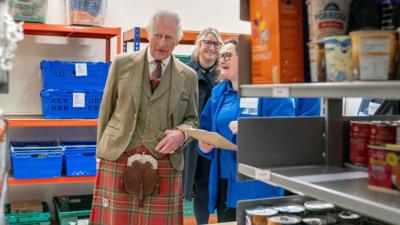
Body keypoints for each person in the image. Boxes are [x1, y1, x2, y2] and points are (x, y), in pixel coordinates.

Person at [90, 10, 199, 225]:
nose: (161, 42)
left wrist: (181, 134)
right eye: (157, 35)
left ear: (177, 40)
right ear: (149, 34)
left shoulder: (188, 76)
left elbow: (193, 120)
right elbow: (106, 110)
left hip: (164, 161)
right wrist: (100, 152)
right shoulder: (121, 64)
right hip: (118, 154)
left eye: (168, 37)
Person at [197, 38, 295, 223]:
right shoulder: (218, 94)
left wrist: (252, 130)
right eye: (220, 56)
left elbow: (286, 134)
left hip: (256, 186)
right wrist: (203, 146)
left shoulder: (269, 91)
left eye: (227, 55)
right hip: (223, 184)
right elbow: (205, 130)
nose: (222, 60)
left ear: (246, 59)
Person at [183, 28, 222, 225]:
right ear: (199, 44)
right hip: (191, 142)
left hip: (216, 140)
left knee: (212, 187)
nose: (211, 48)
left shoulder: (223, 76)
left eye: (216, 44)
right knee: (194, 186)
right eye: (208, 42)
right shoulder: (185, 71)